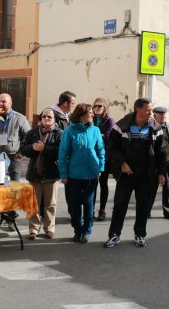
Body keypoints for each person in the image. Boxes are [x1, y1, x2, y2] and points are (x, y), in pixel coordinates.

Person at [104, 98, 167, 248]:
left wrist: (161, 172)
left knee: (143, 206)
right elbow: (112, 147)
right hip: (126, 174)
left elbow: (161, 151)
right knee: (120, 205)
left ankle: (140, 234)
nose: (151, 113)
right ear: (138, 110)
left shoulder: (155, 127)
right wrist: (122, 163)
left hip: (146, 175)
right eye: (148, 110)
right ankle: (114, 235)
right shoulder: (121, 126)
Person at [58, 103, 105, 243]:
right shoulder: (69, 132)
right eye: (90, 112)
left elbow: (101, 150)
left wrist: (101, 168)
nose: (93, 114)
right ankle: (77, 230)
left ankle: (86, 230)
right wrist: (64, 175)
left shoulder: (95, 130)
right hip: (74, 175)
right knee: (75, 204)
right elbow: (62, 154)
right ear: (81, 115)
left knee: (89, 203)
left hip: (92, 174)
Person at [0, 93, 31, 224]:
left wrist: (21, 153)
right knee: (0, 188)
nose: (0, 104)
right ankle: (2, 216)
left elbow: (28, 137)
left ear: (10, 104)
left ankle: (11, 218)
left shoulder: (20, 119)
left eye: (3, 102)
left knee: (12, 189)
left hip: (13, 158)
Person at [20, 108, 63, 240]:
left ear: (54, 120)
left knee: (50, 204)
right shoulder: (32, 133)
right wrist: (33, 148)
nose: (46, 119)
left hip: (51, 174)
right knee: (33, 204)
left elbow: (61, 151)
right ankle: (33, 229)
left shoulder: (60, 133)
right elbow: (23, 149)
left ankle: (49, 228)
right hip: (35, 174)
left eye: (49, 117)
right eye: (44, 116)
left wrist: (45, 149)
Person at [92, 97, 115, 221]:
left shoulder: (110, 121)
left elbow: (108, 137)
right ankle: (91, 209)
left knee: (103, 183)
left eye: (100, 106)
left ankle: (102, 210)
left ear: (105, 107)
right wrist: (99, 136)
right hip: (90, 157)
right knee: (92, 184)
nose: (97, 108)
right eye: (95, 106)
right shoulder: (91, 119)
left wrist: (95, 136)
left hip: (104, 157)